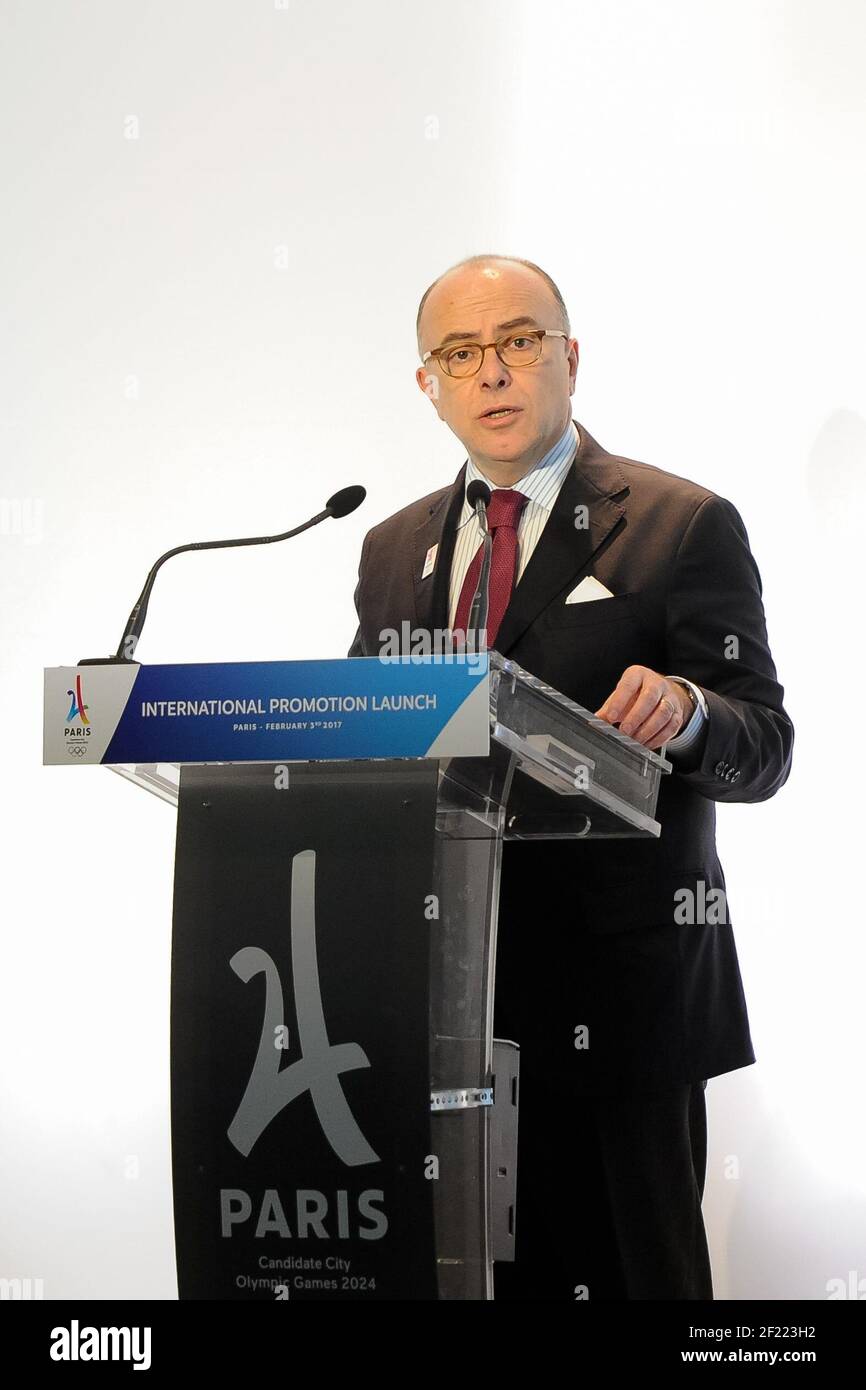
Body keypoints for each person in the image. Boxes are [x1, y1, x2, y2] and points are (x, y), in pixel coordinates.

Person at [347, 254, 794, 1300]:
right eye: (460, 353)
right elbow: (367, 734)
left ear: (569, 359)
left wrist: (687, 714)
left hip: (618, 1003)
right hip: (441, 996)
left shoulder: (678, 522)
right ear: (429, 385)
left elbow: (763, 743)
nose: (491, 371)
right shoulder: (389, 546)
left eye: (517, 342)